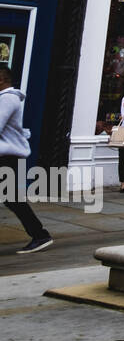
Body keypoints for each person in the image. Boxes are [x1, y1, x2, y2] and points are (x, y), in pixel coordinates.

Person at [0, 68, 52, 253]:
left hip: (6, 158)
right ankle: (40, 234)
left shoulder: (7, 99)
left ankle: (40, 235)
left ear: (2, 79)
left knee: (12, 199)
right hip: (6, 157)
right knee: (11, 199)